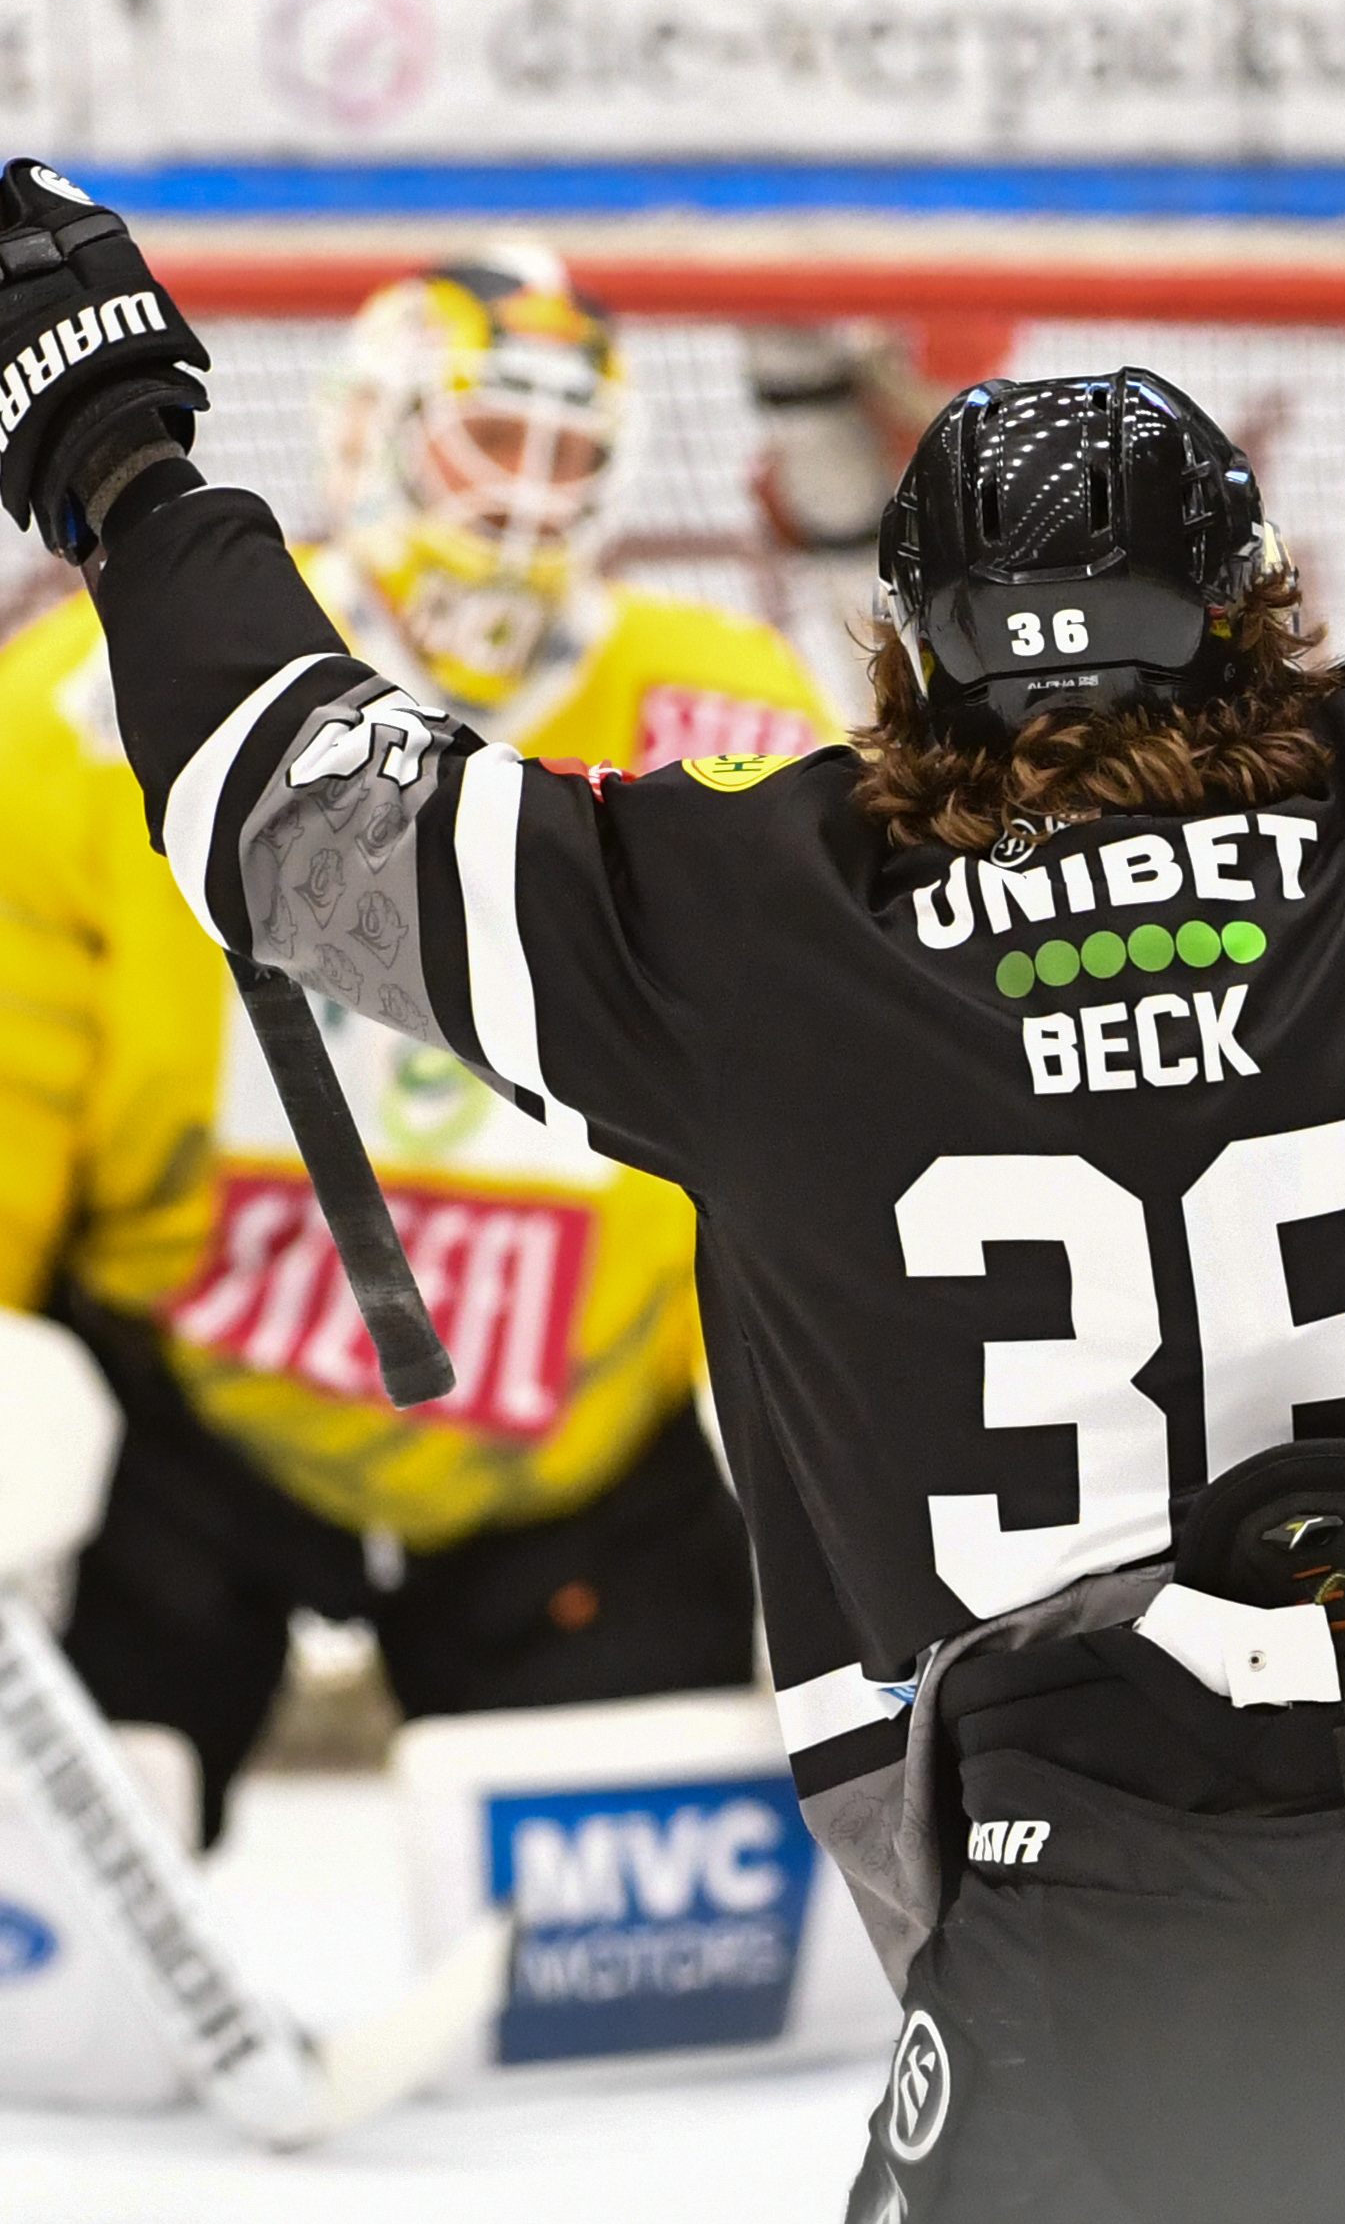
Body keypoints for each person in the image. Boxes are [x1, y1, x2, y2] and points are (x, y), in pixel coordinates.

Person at [7, 163, 1345, 2220]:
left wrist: (113, 439)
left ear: (907, 642)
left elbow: (283, 800)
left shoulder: (777, 923)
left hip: (1059, 1932)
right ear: (1259, 605)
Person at [0, 225, 836, 1844]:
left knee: (635, 1923)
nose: (524, 495)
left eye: (567, 450)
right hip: (192, 1412)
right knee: (62, 1855)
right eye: (486, 435)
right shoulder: (91, 702)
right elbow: (15, 1051)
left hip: (575, 1442)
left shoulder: (727, 711)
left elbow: (800, 1080)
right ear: (365, 433)